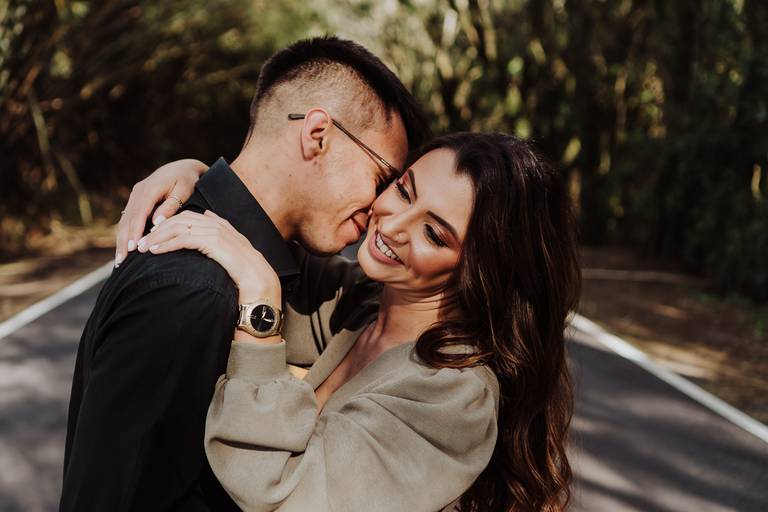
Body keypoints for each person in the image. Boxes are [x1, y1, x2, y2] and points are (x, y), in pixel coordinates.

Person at [60, 36, 430, 511]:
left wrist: (196, 169)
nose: (381, 206)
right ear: (317, 135)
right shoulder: (196, 290)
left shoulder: (266, 272)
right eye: (382, 178)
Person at [123, 132, 581, 511]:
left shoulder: (454, 393)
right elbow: (266, 232)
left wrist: (261, 305)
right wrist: (198, 174)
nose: (394, 223)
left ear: (480, 274)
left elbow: (282, 494)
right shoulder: (367, 306)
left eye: (434, 233)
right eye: (404, 189)